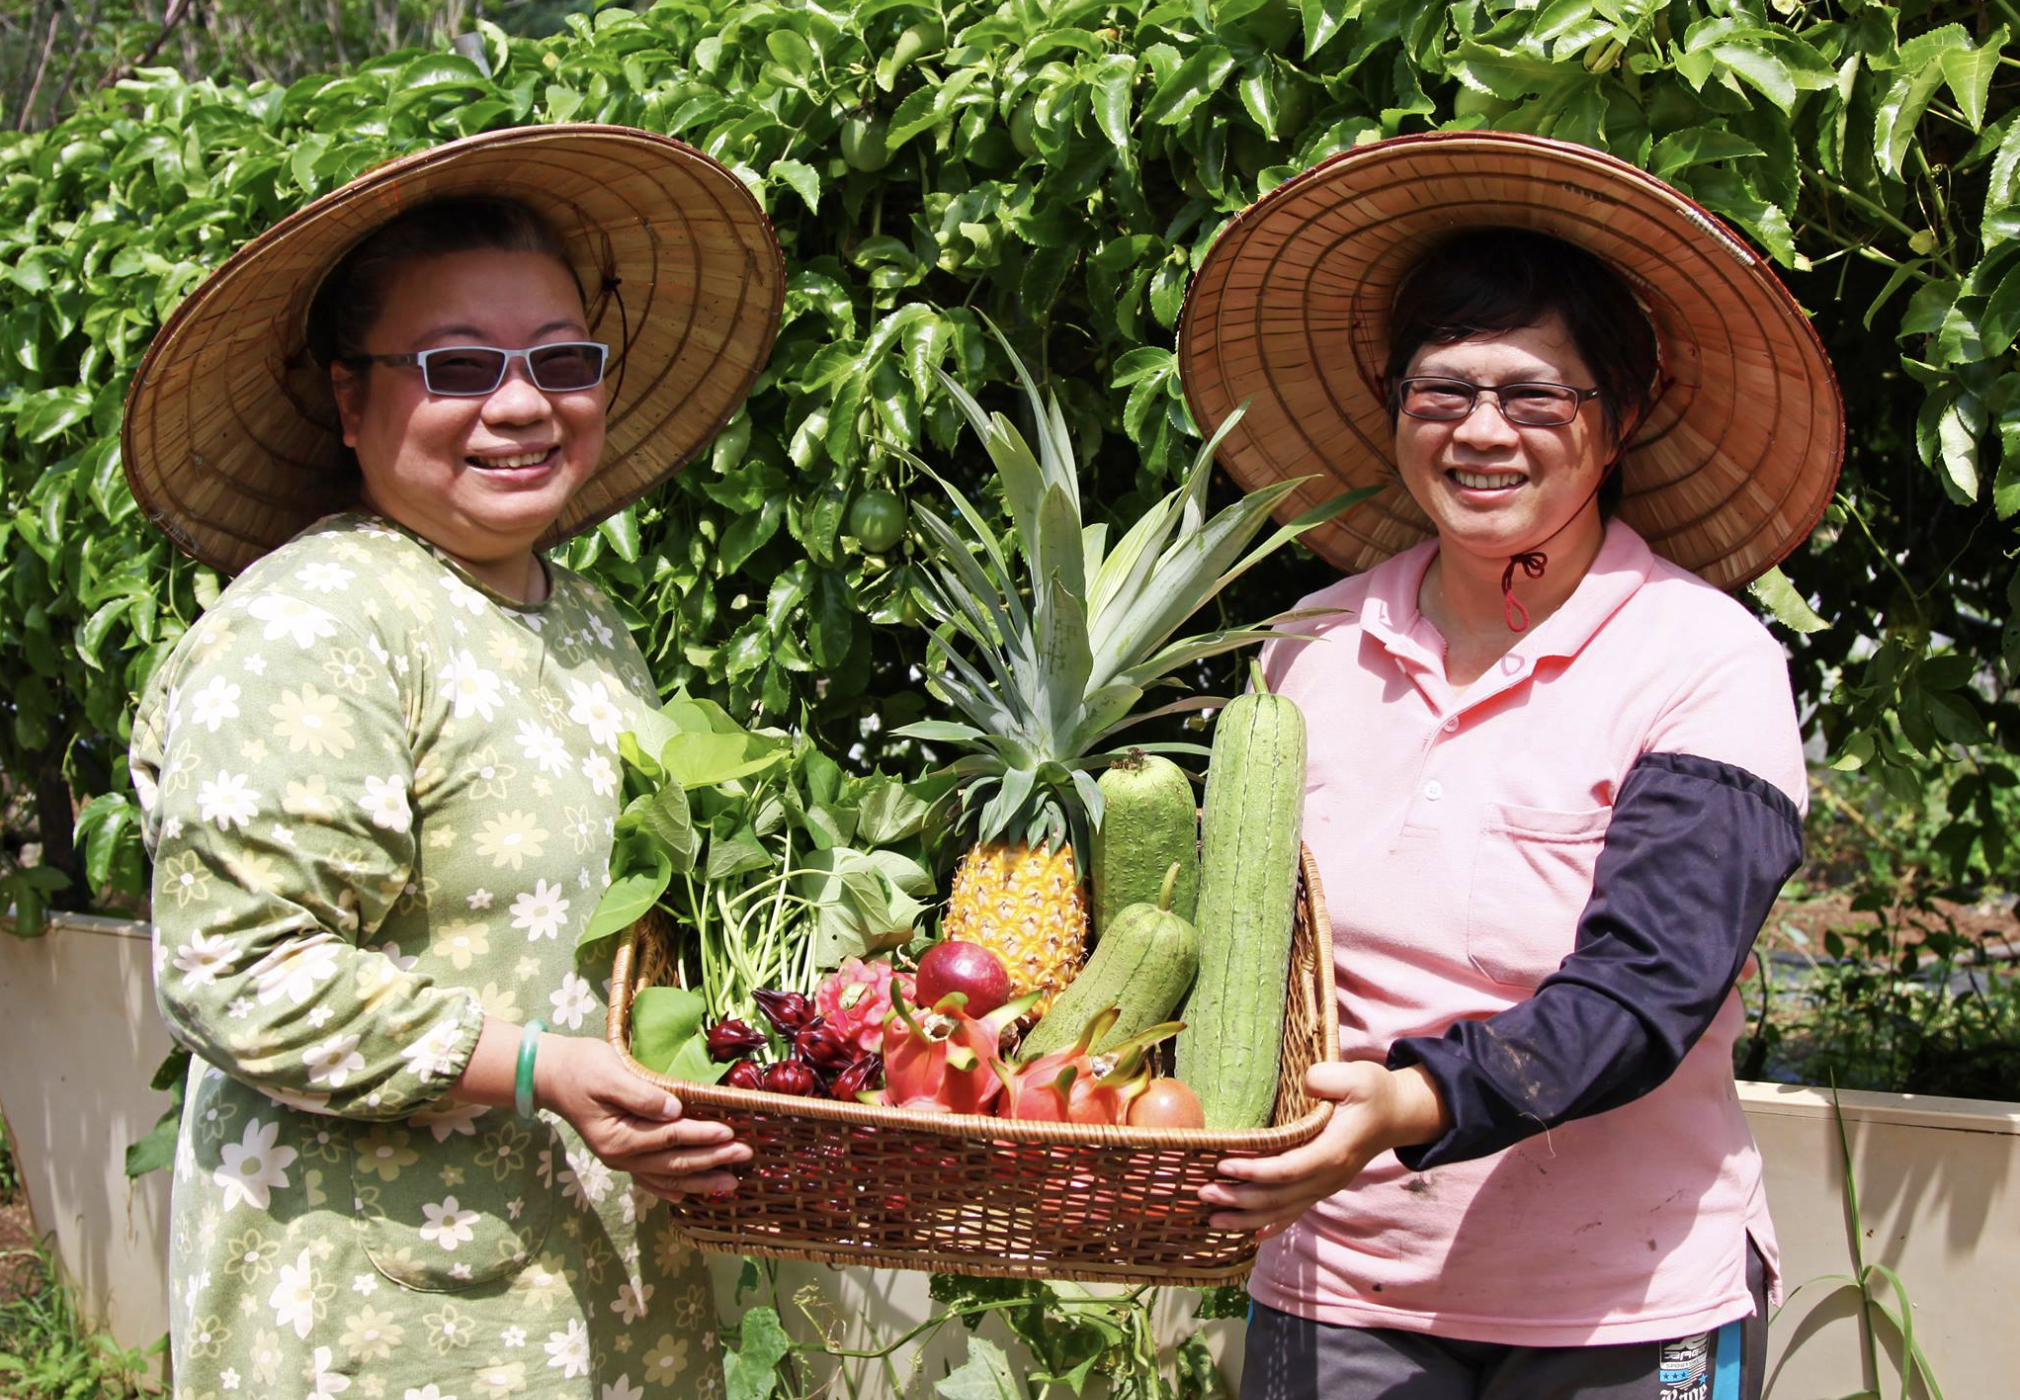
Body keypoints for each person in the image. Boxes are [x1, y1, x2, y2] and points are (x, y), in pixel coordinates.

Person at [1176, 132, 1844, 1399]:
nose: (1483, 431)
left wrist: (1402, 1103)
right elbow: (1233, 948)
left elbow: (1646, 992)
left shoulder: (1704, 659)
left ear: (1619, 421)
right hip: (1334, 1294)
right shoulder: (1307, 651)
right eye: (1443, 391)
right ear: (1395, 411)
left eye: (1535, 394)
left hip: (1624, 1310)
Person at [122, 125, 784, 1398]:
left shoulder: (582, 619)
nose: (524, 402)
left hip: (581, 1297)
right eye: (459, 365)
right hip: (384, 1326)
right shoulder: (315, 623)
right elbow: (239, 971)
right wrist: (533, 1066)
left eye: (561, 359)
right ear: (348, 398)